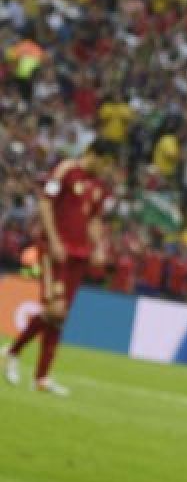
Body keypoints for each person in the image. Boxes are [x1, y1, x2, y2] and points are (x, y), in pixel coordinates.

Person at [4, 140, 117, 396]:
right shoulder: (66, 170)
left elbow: (94, 219)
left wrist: (99, 247)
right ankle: (12, 353)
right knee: (55, 308)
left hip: (79, 255)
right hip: (56, 250)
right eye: (106, 164)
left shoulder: (99, 185)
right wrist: (53, 239)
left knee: (59, 316)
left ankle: (40, 377)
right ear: (93, 155)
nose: (107, 170)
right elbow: (45, 203)